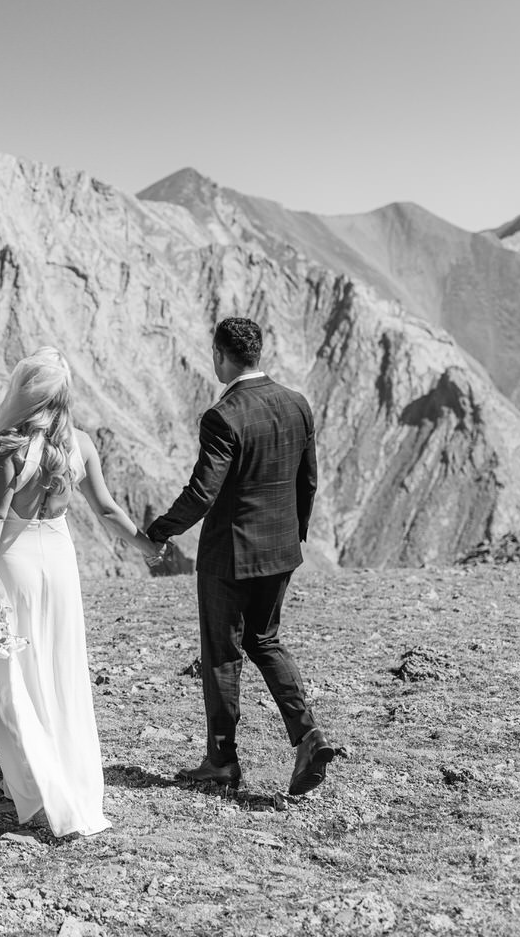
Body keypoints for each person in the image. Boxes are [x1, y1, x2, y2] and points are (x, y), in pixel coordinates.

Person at [0, 346, 162, 837]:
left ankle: (33, 788)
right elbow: (107, 510)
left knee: (15, 676)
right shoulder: (81, 445)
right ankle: (72, 780)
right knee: (62, 668)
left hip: (17, 564)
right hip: (61, 565)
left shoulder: (12, 448)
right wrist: (146, 546)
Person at [146, 317, 340, 795]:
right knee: (265, 641)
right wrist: (294, 536)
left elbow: (202, 493)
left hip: (228, 557)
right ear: (256, 353)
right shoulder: (297, 404)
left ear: (219, 356)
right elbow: (308, 481)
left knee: (221, 655)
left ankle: (221, 760)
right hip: (280, 551)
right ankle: (308, 734)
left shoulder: (223, 416)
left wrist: (158, 532)